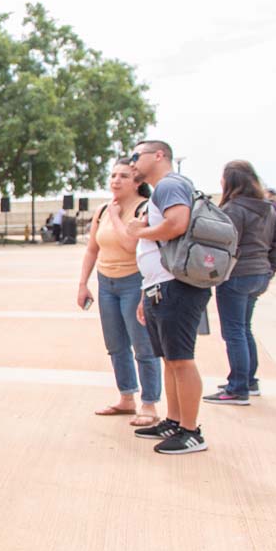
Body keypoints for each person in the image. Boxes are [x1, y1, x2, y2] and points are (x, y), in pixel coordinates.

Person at [126, 140, 210, 454]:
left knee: (181, 360)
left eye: (137, 156)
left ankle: (191, 431)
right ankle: (175, 421)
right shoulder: (162, 190)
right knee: (171, 360)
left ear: (159, 156)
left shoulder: (169, 185)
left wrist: (139, 230)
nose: (132, 163)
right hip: (159, 285)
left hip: (176, 285)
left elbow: (177, 224)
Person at [77, 159, 161, 426]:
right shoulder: (101, 210)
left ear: (137, 183)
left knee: (143, 345)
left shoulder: (143, 209)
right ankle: (126, 397)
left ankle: (149, 403)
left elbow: (129, 245)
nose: (115, 180)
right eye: (113, 175)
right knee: (116, 345)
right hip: (106, 283)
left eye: (123, 176)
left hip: (134, 282)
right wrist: (83, 283)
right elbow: (92, 248)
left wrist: (115, 216)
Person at [203, 160, 276, 404]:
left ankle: (238, 389)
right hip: (259, 274)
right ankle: (248, 381)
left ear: (230, 182)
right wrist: (271, 269)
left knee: (234, 331)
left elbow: (224, 244)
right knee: (244, 329)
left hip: (236, 275)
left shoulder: (233, 209)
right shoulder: (267, 208)